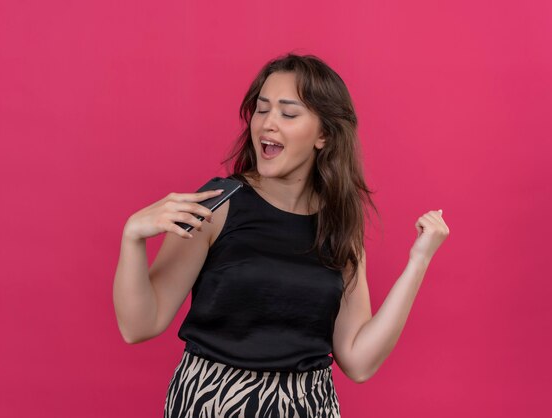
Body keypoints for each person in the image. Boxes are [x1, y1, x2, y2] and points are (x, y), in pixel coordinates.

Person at [113, 53, 450, 417]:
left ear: (324, 134)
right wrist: (133, 237)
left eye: (288, 114)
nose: (268, 124)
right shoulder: (218, 204)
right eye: (261, 109)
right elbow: (139, 325)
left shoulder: (339, 226)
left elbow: (359, 361)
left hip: (308, 407)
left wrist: (419, 260)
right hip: (212, 402)